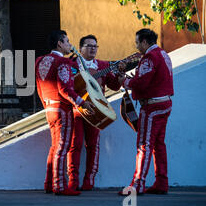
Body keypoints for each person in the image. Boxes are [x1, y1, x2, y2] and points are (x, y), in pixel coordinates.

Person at [35, 30, 95, 196]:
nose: (70, 44)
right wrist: (81, 103)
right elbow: (64, 89)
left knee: (55, 147)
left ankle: (49, 183)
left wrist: (46, 105)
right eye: (67, 41)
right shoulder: (62, 61)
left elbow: (39, 87)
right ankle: (59, 186)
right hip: (62, 109)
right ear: (59, 43)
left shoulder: (40, 60)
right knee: (62, 147)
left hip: (49, 106)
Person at [118, 29, 174, 195]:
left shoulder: (150, 57)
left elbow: (141, 83)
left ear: (144, 42)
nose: (136, 46)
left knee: (144, 144)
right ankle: (161, 183)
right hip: (165, 103)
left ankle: (137, 184)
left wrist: (125, 81)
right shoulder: (163, 54)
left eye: (137, 42)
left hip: (152, 106)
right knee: (158, 145)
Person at [67, 35, 123, 191]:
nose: (93, 49)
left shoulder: (103, 65)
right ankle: (73, 179)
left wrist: (120, 76)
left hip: (97, 110)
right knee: (75, 144)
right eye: (89, 45)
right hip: (77, 108)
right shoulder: (71, 63)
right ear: (80, 48)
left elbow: (114, 86)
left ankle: (89, 180)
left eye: (95, 46)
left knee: (93, 145)